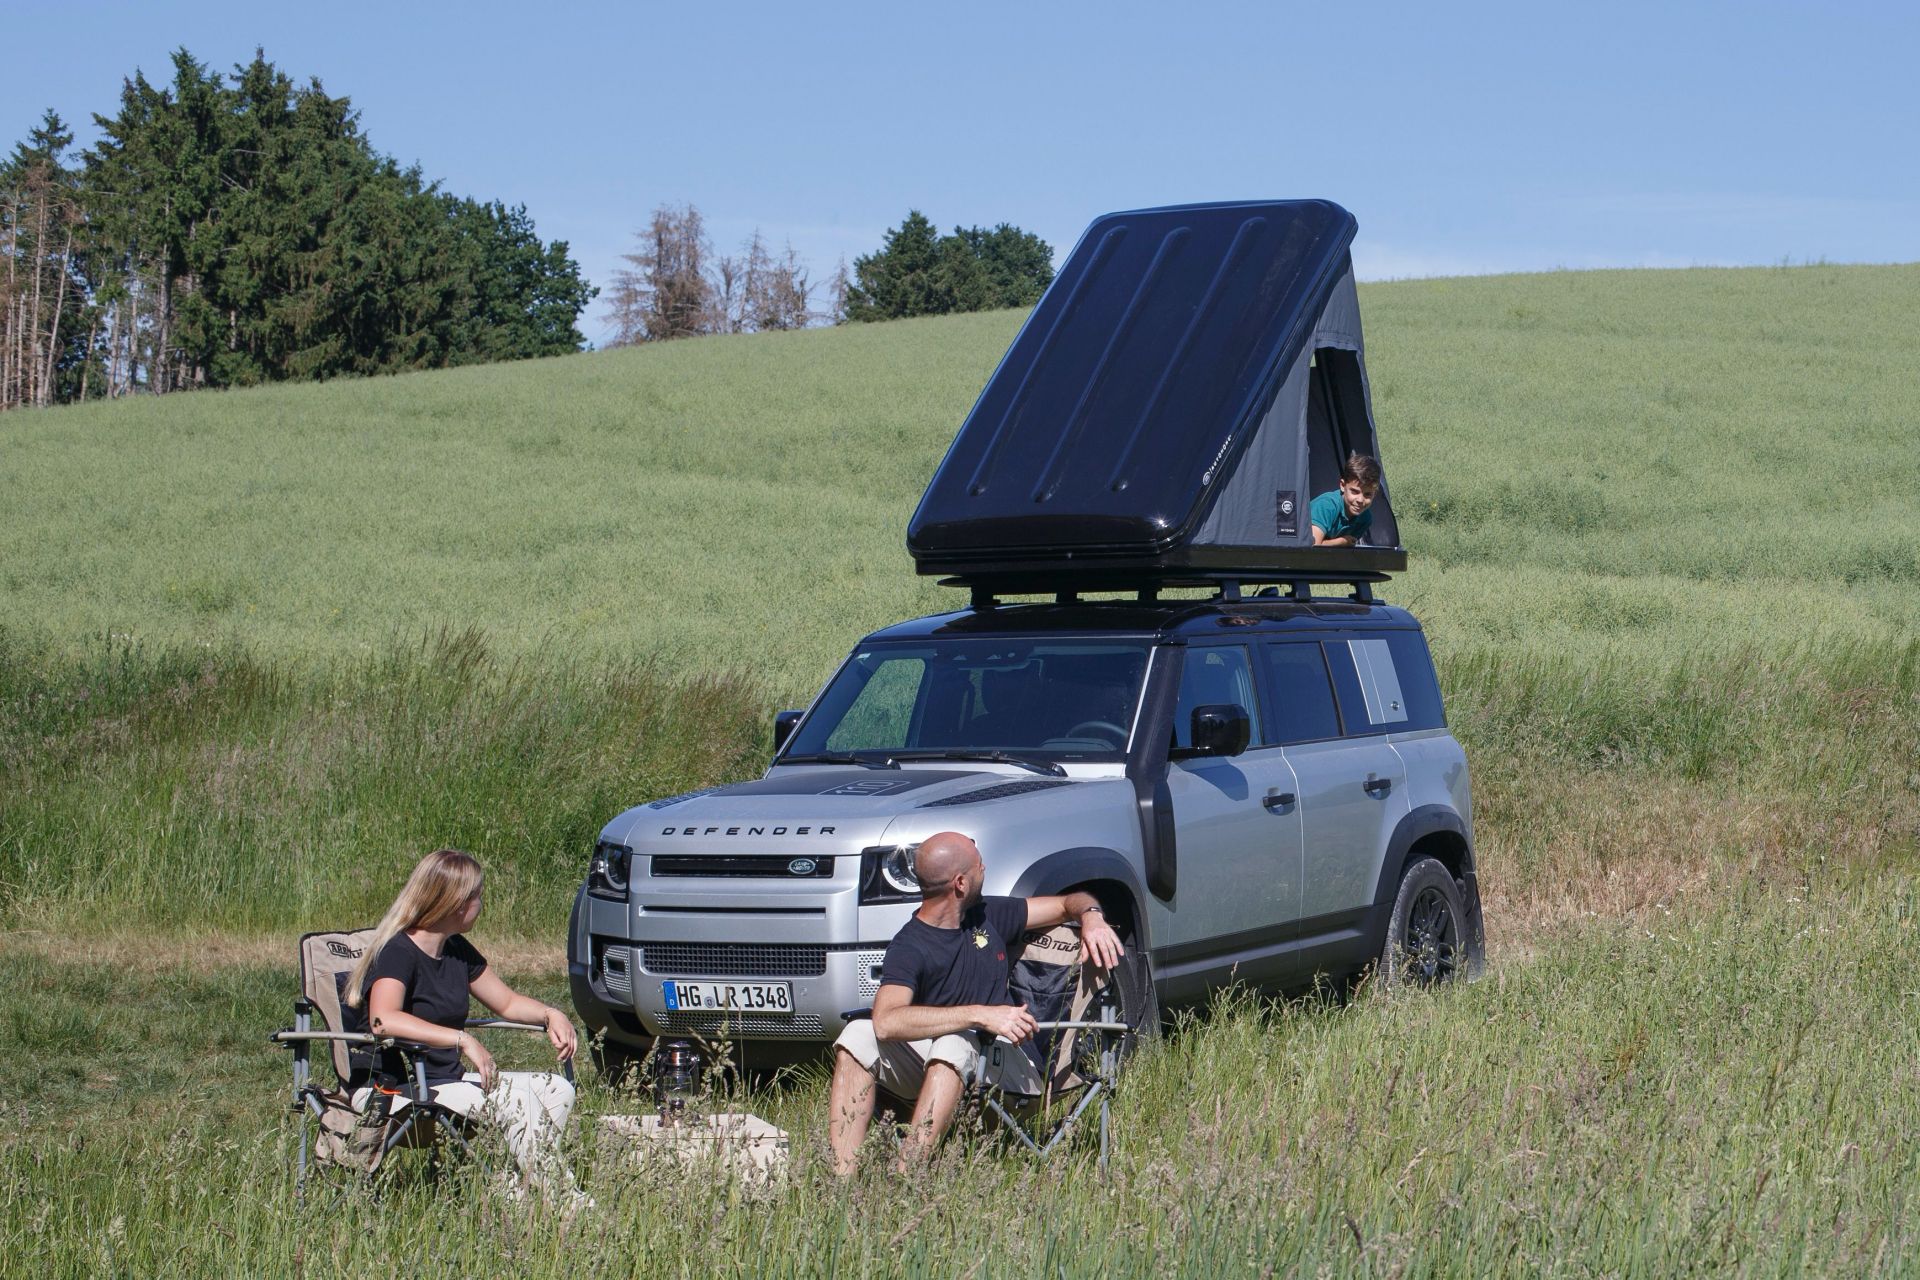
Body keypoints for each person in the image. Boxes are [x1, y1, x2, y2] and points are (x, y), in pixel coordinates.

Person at [827, 830, 1122, 1176]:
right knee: (857, 1035)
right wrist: (979, 1015)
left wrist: (1091, 916)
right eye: (979, 866)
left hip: (1014, 1074)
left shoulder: (988, 915)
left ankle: (906, 1177)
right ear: (960, 884)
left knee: (955, 1042)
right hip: (947, 1066)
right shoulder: (909, 946)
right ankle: (840, 1182)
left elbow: (1066, 902)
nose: (985, 869)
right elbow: (886, 1022)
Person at [343, 848, 582, 1202]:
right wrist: (462, 1040)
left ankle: (514, 1191)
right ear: (457, 903)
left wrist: (550, 1013)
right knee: (518, 1101)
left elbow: (508, 1002)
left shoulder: (455, 949)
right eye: (477, 896)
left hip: (440, 1081)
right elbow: (383, 1019)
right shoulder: (398, 952)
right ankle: (567, 1203)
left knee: (557, 1089)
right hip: (394, 1089)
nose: (481, 904)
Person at [1310, 452, 1383, 547]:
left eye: (1368, 494)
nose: (1360, 500)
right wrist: (1341, 542)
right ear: (1343, 485)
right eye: (1355, 491)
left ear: (1375, 494)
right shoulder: (1326, 506)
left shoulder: (1365, 518)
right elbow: (1312, 547)